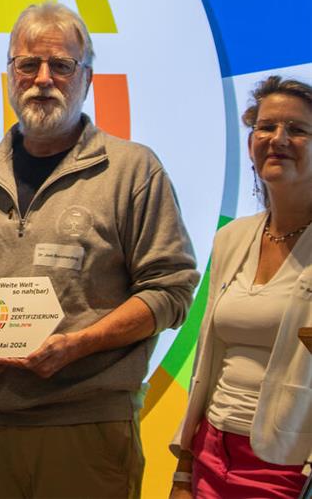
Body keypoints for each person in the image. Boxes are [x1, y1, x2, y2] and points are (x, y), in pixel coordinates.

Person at [0, 0, 199, 498]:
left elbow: (171, 290)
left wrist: (77, 345)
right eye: (28, 64)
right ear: (9, 75)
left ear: (87, 78)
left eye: (61, 65)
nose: (42, 78)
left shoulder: (133, 170)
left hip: (88, 424)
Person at [169, 76, 312, 499]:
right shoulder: (231, 237)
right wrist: (184, 467)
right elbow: (206, 365)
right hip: (212, 453)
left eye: (298, 130)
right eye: (266, 126)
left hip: (290, 468)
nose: (278, 139)